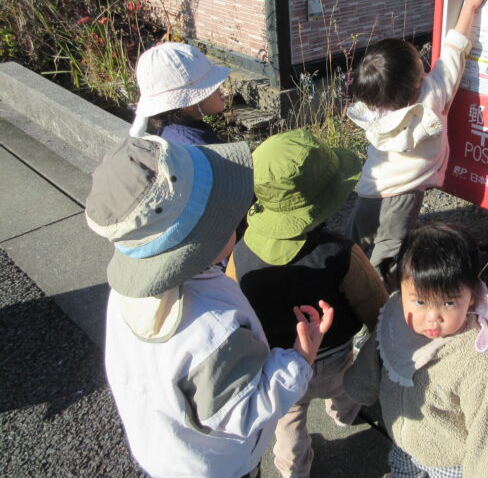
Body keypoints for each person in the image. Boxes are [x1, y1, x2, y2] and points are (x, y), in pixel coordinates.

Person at [84, 135, 333, 478]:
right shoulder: (215, 332)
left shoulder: (128, 294)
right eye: (227, 213)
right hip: (221, 465)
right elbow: (247, 410)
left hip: (165, 448)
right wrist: (299, 359)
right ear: (200, 243)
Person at [226, 128, 389, 478]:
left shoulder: (240, 254)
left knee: (288, 422)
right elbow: (375, 305)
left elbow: (232, 309)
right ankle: (345, 414)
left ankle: (293, 468)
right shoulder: (342, 252)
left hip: (278, 365)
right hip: (335, 357)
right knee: (346, 389)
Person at [345, 0, 488, 283]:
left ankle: (350, 287)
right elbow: (455, 51)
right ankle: (378, 304)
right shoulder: (432, 95)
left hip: (370, 189)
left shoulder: (376, 105)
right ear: (418, 78)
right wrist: (469, 6)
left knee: (356, 248)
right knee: (390, 253)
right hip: (404, 195)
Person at [343, 221, 488, 478]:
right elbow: (378, 349)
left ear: (472, 296)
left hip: (449, 461)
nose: (432, 317)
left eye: (448, 302)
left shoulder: (477, 361)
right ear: (399, 286)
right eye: (420, 301)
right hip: (403, 442)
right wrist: (360, 385)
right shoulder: (395, 312)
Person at [128, 41, 229, 143]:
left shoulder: (170, 130)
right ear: (188, 104)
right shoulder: (202, 146)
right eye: (214, 87)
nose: (221, 92)